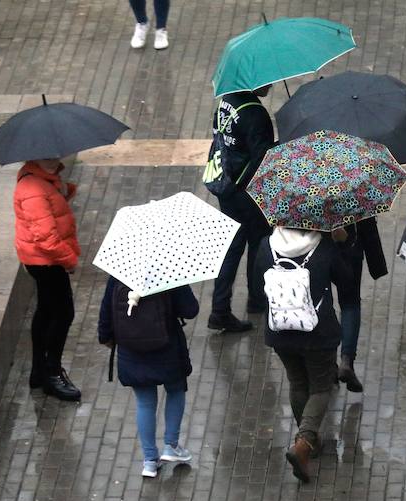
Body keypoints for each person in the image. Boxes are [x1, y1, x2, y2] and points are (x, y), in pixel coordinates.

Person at [253, 226, 357, 482]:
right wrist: (342, 244)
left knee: (297, 382)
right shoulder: (323, 247)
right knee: (321, 387)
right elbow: (347, 281)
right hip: (317, 332)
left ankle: (311, 442)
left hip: (280, 331)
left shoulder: (266, 245)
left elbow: (257, 289)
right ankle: (304, 442)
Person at [97, 278, 199, 478]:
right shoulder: (169, 272)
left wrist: (105, 336)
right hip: (167, 347)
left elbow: (106, 310)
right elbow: (191, 309)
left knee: (144, 403)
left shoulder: (119, 273)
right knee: (176, 390)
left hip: (131, 349)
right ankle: (171, 445)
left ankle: (150, 461)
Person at [207, 86, 276, 333]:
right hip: (248, 192)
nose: (271, 86)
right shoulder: (255, 114)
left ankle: (220, 308)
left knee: (232, 247)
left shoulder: (226, 102)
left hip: (227, 185)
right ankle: (257, 299)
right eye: (267, 83)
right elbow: (263, 160)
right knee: (258, 242)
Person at [14, 158, 82, 401]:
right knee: (63, 313)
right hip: (46, 261)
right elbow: (46, 238)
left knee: (45, 310)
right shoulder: (33, 189)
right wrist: (69, 260)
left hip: (40, 259)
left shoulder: (42, 180)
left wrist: (64, 190)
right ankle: (52, 374)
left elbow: (53, 210)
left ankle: (39, 370)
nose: (55, 161)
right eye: (48, 158)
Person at [331, 219, 388, 392]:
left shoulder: (304, 192)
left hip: (315, 250)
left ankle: (327, 364)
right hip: (350, 247)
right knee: (350, 304)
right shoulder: (355, 192)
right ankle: (347, 360)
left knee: (321, 302)